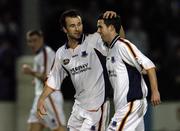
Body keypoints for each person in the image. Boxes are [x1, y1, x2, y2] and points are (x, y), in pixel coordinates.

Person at [37, 10, 125, 131]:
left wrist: (116, 22)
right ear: (64, 29)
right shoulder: (61, 53)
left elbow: (120, 42)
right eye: (72, 26)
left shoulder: (94, 40)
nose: (77, 28)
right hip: (78, 108)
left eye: (79, 24)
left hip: (97, 108)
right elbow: (53, 79)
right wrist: (42, 99)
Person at [97, 14, 161, 131]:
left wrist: (155, 91)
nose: (98, 31)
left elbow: (150, 66)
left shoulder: (123, 46)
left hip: (132, 104)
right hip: (124, 106)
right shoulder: (110, 49)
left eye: (100, 27)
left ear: (111, 28)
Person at [22, 30, 66, 131]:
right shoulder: (39, 55)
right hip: (39, 97)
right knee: (33, 127)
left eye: (35, 40)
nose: (32, 44)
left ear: (41, 39)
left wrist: (31, 72)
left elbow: (48, 80)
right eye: (29, 41)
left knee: (59, 128)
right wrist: (36, 80)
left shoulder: (47, 53)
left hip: (49, 97)